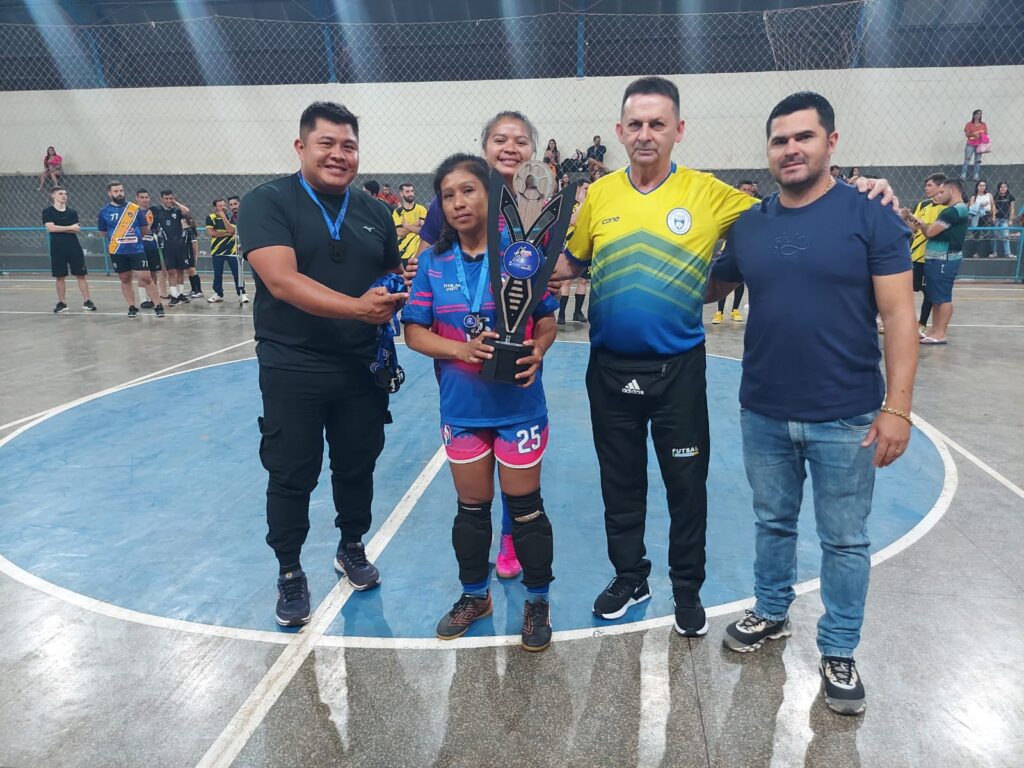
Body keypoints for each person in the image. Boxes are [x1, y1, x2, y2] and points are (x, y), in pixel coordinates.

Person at [553, 76, 897, 637]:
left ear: (679, 131)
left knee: (686, 485)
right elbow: (571, 262)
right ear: (618, 132)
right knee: (620, 482)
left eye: (657, 123)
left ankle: (686, 588)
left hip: (679, 372)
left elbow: (795, 204)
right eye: (635, 124)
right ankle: (629, 576)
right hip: (609, 370)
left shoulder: (713, 195)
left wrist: (861, 186)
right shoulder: (601, 195)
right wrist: (512, 271)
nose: (645, 134)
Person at [706, 91, 917, 717]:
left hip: (848, 413)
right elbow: (704, 285)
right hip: (764, 408)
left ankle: (839, 649)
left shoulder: (872, 215)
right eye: (779, 140)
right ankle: (771, 611)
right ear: (768, 151)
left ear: (831, 142)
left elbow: (900, 315)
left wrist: (898, 408)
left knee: (845, 540)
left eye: (803, 137)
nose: (790, 149)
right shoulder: (749, 226)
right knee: (772, 522)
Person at [238, 101, 407, 627]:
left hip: (361, 369)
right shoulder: (267, 202)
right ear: (301, 147)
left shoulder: (375, 212)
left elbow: (392, 275)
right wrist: (359, 307)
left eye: (349, 146)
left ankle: (351, 546)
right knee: (291, 473)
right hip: (295, 365)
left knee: (357, 465)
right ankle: (289, 570)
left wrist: (407, 288)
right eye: (327, 144)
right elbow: (282, 281)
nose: (339, 154)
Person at [403, 154, 558, 652]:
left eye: (468, 190)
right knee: (471, 511)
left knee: (526, 510)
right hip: (463, 410)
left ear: (492, 196)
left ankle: (537, 600)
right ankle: (476, 596)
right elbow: (413, 332)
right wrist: (460, 350)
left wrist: (539, 347)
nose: (458, 202)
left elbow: (548, 319)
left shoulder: (522, 256)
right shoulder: (433, 261)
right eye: (448, 195)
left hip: (518, 408)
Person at [416, 109, 543, 581]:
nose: (509, 148)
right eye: (499, 139)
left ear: (533, 150)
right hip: (461, 367)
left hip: (518, 364)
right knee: (473, 495)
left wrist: (541, 337)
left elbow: (547, 280)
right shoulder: (455, 195)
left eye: (520, 140)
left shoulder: (539, 203)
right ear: (485, 148)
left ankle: (513, 538)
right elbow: (434, 259)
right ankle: (475, 580)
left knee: (520, 480)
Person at [915, 178, 970, 345]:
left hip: (944, 260)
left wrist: (923, 225)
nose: (938, 196)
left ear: (951, 191)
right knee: (936, 296)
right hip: (938, 260)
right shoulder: (955, 210)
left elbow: (931, 232)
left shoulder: (952, 212)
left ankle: (940, 333)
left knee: (943, 297)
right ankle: (934, 330)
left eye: (941, 192)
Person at [98, 181, 164, 318]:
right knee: (124, 278)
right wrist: (117, 237)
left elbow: (145, 228)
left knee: (145, 277)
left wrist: (135, 235)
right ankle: (132, 306)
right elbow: (103, 232)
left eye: (121, 190)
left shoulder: (133, 209)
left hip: (136, 249)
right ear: (110, 193)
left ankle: (158, 305)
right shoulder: (104, 212)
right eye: (116, 191)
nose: (119, 193)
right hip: (117, 251)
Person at [901, 173, 947, 335]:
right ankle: (896, 320)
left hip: (933, 257)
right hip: (916, 255)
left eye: (929, 185)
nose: (926, 188)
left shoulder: (948, 208)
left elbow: (935, 230)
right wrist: (907, 219)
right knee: (904, 288)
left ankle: (922, 323)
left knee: (929, 292)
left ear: (940, 186)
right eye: (926, 185)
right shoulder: (922, 204)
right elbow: (912, 229)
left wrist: (924, 226)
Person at [42, 187, 95, 313]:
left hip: (73, 247)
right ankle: (62, 302)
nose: (64, 196)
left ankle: (87, 301)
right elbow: (51, 228)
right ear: (53, 195)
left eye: (65, 193)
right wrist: (69, 227)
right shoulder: (47, 211)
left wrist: (64, 227)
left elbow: (76, 229)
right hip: (57, 248)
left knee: (81, 275)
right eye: (60, 193)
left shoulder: (72, 212)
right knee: (60, 276)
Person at [712, 180, 756, 324]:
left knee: (740, 282)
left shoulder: (755, 208)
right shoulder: (730, 207)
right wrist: (723, 249)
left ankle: (735, 310)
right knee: (723, 277)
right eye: (744, 189)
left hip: (748, 250)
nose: (748, 193)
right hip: (730, 248)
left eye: (750, 190)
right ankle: (719, 312)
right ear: (736, 190)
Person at [557, 180, 591, 325]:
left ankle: (577, 312)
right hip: (570, 244)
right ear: (578, 188)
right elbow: (573, 220)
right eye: (585, 188)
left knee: (583, 280)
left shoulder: (591, 204)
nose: (587, 191)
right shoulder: (571, 204)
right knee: (567, 281)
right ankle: (562, 314)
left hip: (585, 246)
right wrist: (583, 203)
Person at [154, 189, 193, 306]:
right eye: (166, 198)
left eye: (171, 198)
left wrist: (175, 203)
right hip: (167, 246)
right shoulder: (157, 211)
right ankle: (174, 295)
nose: (169, 201)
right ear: (161, 199)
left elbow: (187, 211)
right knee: (171, 272)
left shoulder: (177, 210)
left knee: (181, 270)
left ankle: (181, 294)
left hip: (180, 245)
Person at [206, 198, 247, 304]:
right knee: (217, 274)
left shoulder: (231, 217)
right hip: (217, 251)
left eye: (224, 205)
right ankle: (218, 294)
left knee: (237, 273)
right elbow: (212, 233)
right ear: (215, 207)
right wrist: (227, 234)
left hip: (232, 251)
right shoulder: (210, 218)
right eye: (220, 206)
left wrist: (224, 217)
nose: (223, 207)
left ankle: (242, 293)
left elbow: (232, 230)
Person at [135, 190, 169, 309]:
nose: (144, 199)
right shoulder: (133, 212)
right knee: (142, 273)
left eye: (146, 197)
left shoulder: (153, 212)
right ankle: (143, 299)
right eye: (142, 197)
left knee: (154, 272)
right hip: (139, 246)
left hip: (151, 245)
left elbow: (155, 228)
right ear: (137, 198)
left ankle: (152, 297)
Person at [392, 182, 427, 267]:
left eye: (412, 191)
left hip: (418, 254)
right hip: (402, 254)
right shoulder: (397, 212)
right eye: (407, 191)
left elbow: (424, 232)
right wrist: (416, 224)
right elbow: (400, 232)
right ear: (401, 193)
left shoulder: (421, 209)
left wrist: (407, 226)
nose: (410, 194)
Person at [967, 180, 994, 258]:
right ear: (977, 186)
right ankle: (976, 252)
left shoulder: (989, 195)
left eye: (984, 185)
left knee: (988, 234)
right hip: (977, 216)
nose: (982, 187)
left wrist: (994, 216)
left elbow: (993, 206)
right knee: (976, 235)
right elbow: (972, 207)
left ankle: (990, 252)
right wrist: (980, 205)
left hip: (987, 215)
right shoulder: (974, 197)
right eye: (980, 185)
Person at [961, 109, 987, 182]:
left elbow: (986, 133)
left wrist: (982, 135)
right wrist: (975, 134)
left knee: (977, 161)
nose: (979, 115)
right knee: (967, 159)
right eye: (977, 114)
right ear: (974, 115)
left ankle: (976, 176)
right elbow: (967, 135)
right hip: (970, 144)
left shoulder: (983, 124)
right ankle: (963, 175)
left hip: (979, 145)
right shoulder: (969, 124)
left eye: (980, 114)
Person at [993, 182, 1016, 258]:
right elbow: (993, 208)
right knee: (994, 236)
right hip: (996, 219)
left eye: (1005, 187)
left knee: (1006, 236)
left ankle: (1007, 253)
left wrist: (1010, 219)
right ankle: (994, 252)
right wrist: (993, 215)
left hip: (1005, 219)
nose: (1003, 188)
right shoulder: (995, 197)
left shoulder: (1010, 197)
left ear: (1007, 188)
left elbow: (1012, 209)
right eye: (1001, 187)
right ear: (998, 188)